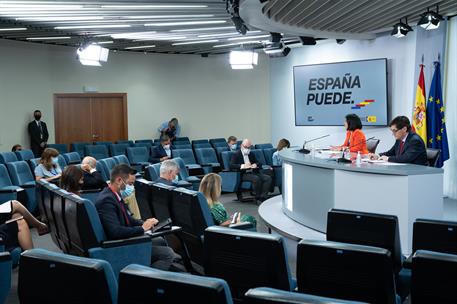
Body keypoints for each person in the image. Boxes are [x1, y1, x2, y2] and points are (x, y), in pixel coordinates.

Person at [95, 164, 178, 270]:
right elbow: (115, 232)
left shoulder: (114, 194)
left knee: (160, 240)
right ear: (119, 180)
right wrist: (142, 229)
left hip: (124, 240)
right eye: (130, 183)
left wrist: (144, 223)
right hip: (118, 247)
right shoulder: (106, 200)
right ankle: (145, 281)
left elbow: (127, 218)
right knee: (167, 253)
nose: (132, 187)